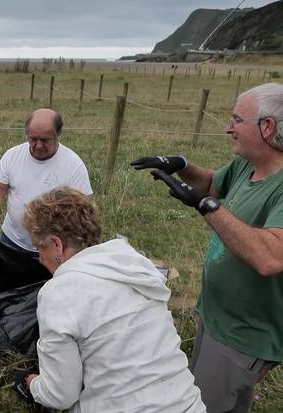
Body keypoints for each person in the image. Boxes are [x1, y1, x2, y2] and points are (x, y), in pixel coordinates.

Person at [132, 82, 283, 412]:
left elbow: (271, 258)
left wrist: (205, 205)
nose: (229, 128)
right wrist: (182, 165)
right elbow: (214, 184)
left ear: (267, 127)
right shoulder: (248, 164)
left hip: (245, 334)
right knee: (196, 396)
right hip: (216, 315)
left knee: (209, 407)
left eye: (236, 119)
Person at [13, 187, 205, 412]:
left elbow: (60, 395)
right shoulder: (134, 265)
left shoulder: (59, 292)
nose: (39, 258)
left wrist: (32, 383)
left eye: (39, 248)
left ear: (57, 245)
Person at [0, 108, 92, 257]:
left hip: (53, 249)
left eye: (45, 140)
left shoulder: (74, 166)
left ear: (57, 136)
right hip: (11, 241)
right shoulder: (12, 156)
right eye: (33, 139)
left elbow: (83, 211)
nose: (38, 145)